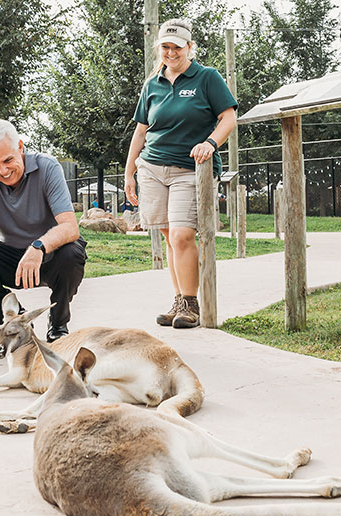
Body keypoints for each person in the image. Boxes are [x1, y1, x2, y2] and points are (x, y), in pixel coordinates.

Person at [124, 19, 237, 329]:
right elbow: (141, 131)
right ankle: (179, 301)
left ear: (189, 47)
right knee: (168, 237)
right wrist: (129, 171)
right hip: (152, 168)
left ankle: (191, 303)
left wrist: (211, 143)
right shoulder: (152, 84)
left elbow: (228, 118)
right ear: (158, 48)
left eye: (177, 46)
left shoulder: (206, 78)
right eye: (165, 47)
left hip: (191, 169)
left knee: (182, 234)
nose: (171, 52)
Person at [0, 118, 86, 344]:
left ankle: (58, 324)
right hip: (11, 255)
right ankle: (11, 325)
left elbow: (70, 227)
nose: (2, 170)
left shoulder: (48, 167)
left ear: (20, 147)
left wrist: (38, 247)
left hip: (48, 256)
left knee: (72, 253)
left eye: (8, 160)